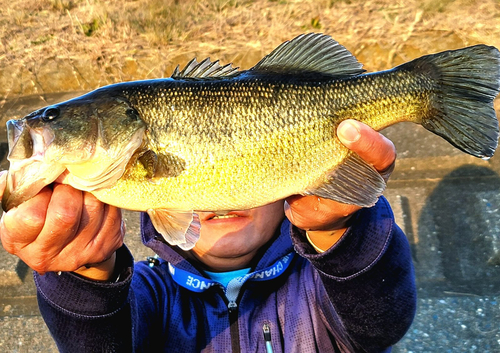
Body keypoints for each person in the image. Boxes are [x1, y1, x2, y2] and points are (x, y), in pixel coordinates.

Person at [0, 119, 416, 352]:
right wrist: (84, 269)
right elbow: (101, 345)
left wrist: (341, 230)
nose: (216, 197)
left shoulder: (320, 289)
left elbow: (380, 321)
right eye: (197, 179)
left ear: (295, 179)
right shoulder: (149, 296)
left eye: (236, 166)